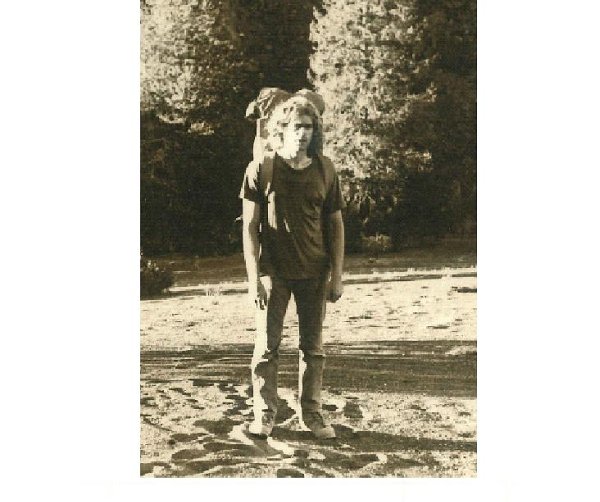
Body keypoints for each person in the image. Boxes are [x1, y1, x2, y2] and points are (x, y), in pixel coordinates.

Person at [239, 96, 345, 439]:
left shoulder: (325, 169)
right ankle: (264, 414)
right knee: (266, 349)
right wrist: (253, 279)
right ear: (281, 129)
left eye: (309, 127)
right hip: (273, 274)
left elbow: (336, 225)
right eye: (297, 126)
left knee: (313, 350)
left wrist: (337, 275)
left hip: (314, 273)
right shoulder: (262, 168)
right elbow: (249, 228)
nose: (303, 133)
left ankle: (311, 414)